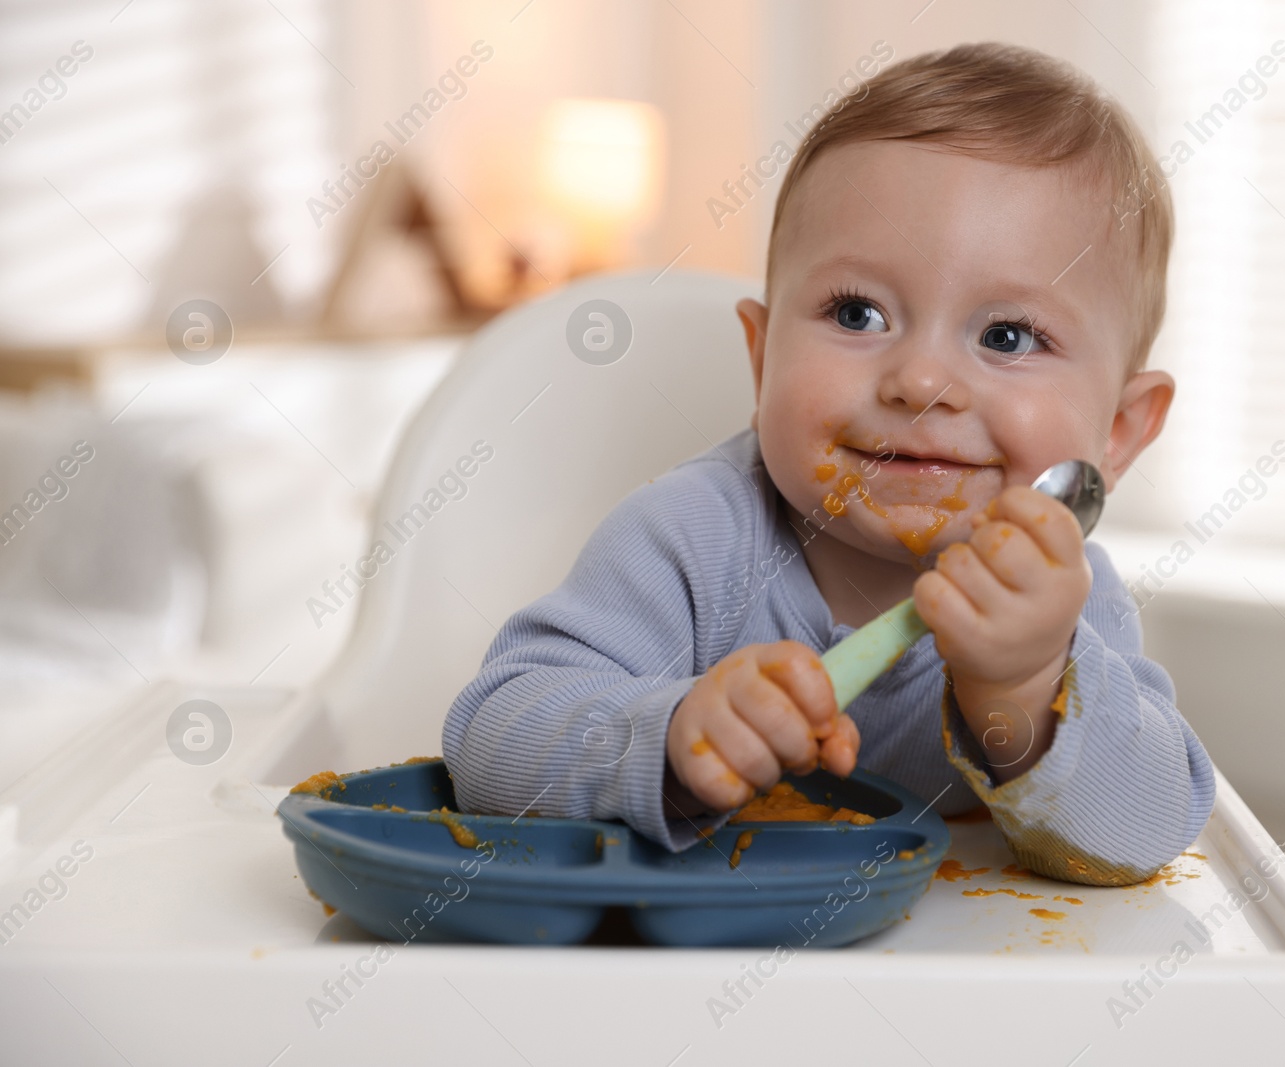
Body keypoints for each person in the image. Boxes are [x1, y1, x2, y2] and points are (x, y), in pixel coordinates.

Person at [443, 42, 1214, 885]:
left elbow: (1149, 828)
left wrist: (1027, 689)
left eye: (1007, 336)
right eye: (857, 312)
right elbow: (491, 736)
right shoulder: (691, 539)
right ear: (762, 355)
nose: (921, 380)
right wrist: (669, 735)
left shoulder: (1061, 598)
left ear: (1119, 428)